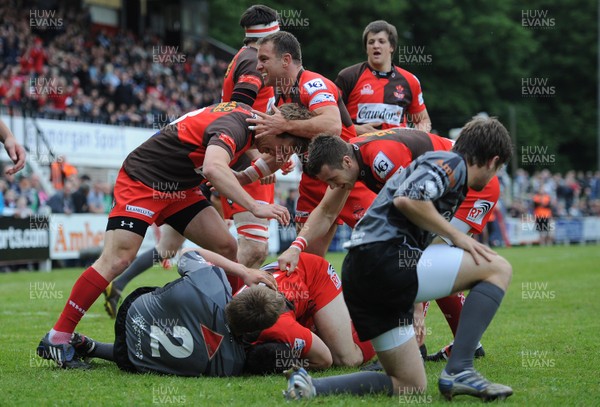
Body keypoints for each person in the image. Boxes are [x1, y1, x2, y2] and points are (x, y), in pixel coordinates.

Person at [36, 101, 308, 368]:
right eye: (285, 148)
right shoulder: (235, 125)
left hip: (180, 188)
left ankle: (227, 325)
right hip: (144, 179)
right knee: (117, 259)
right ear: (274, 124)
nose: (284, 157)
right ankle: (58, 338)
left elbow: (253, 167)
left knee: (226, 246)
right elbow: (214, 168)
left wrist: (262, 168)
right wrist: (253, 205)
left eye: (290, 152)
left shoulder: (255, 126)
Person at [283, 117, 514, 402]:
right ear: (492, 161)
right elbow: (409, 200)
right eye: (498, 170)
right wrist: (461, 237)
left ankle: (311, 386)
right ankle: (461, 368)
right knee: (498, 268)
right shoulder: (451, 163)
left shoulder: (403, 161)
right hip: (384, 261)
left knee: (409, 384)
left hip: (359, 273)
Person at [101, 6, 282, 318]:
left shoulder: (244, 57)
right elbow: (240, 113)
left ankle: (128, 286)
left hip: (219, 157)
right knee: (251, 249)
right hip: (233, 161)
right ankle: (220, 315)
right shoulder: (256, 61)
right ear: (270, 36)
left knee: (171, 244)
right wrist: (258, 153)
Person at [247, 31, 376, 257]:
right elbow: (280, 152)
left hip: (347, 178)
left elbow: (332, 125)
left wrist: (285, 124)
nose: (258, 66)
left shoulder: (313, 84)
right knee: (305, 261)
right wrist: (243, 176)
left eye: (264, 59)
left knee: (383, 249)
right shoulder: (279, 99)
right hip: (313, 181)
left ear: (286, 60)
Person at [62, 249, 282, 375]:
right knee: (181, 348)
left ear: (242, 294)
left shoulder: (213, 283)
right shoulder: (232, 364)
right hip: (133, 360)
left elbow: (188, 252)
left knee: (174, 303)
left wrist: (243, 271)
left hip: (133, 314)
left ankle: (90, 346)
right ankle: (92, 347)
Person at [231, 252, 375, 370]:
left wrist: (288, 364)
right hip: (291, 286)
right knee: (319, 340)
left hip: (315, 275)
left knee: (346, 359)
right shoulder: (233, 307)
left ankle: (380, 319)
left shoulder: (281, 326)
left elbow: (324, 360)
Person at [335, 20, 431, 135]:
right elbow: (331, 118)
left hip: (396, 149)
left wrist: (414, 139)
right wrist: (355, 129)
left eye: (381, 41)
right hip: (357, 148)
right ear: (366, 48)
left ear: (392, 47)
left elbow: (422, 120)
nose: (376, 46)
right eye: (371, 42)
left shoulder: (410, 81)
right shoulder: (349, 76)